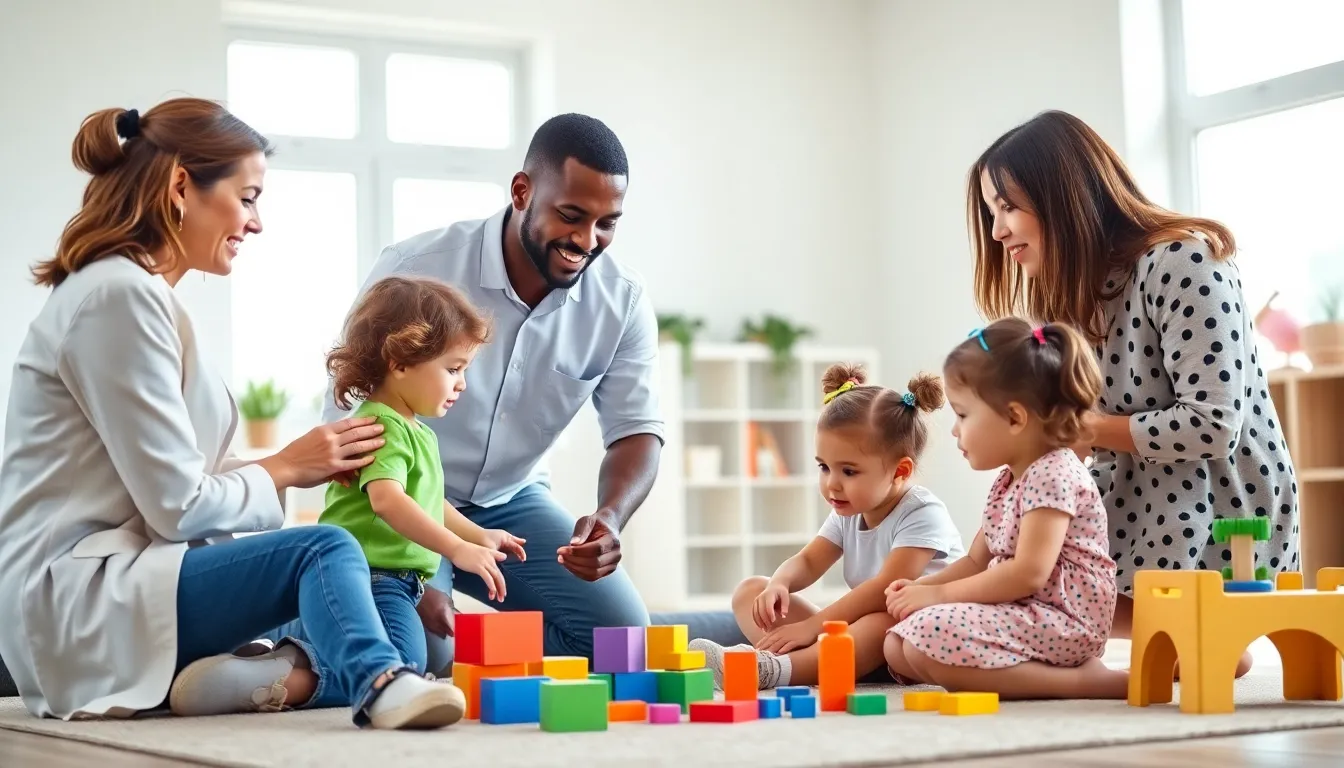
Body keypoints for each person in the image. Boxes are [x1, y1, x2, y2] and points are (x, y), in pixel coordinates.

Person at [0, 98, 462, 729]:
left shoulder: (136, 295)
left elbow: (180, 479)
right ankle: (380, 684)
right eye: (247, 198)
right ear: (180, 187)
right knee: (325, 549)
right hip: (83, 600)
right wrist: (286, 465)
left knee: (378, 612)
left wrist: (305, 464)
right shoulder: (118, 297)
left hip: (129, 577)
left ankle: (288, 671)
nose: (256, 222)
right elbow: (177, 505)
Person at [319, 113, 663, 667]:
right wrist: (413, 563)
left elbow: (636, 429)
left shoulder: (620, 301)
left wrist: (611, 517)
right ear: (522, 192)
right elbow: (348, 404)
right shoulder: (416, 270)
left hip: (514, 499)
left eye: (607, 223)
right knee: (423, 650)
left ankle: (473, 652)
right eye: (571, 216)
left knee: (622, 641)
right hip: (405, 493)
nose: (586, 240)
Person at [967, 110, 1297, 677]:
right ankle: (1182, 633)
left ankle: (1198, 631)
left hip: (1215, 507)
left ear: (1064, 196)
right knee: (1007, 583)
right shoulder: (1069, 293)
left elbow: (1213, 426)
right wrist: (996, 539)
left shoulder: (1185, 260)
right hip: (1131, 495)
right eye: (991, 212)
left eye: (1008, 207)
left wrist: (1075, 430)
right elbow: (1062, 453)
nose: (997, 231)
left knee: (1017, 598)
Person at [885, 319, 1127, 699]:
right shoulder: (1009, 479)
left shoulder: (1054, 474)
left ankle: (1085, 682)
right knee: (897, 647)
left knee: (924, 640)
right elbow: (975, 561)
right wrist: (922, 587)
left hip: (1064, 620)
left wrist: (941, 597)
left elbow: (1028, 574)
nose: (954, 430)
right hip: (1023, 611)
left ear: (1015, 417)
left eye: (962, 415)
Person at [689, 365, 965, 691]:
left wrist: (812, 627)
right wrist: (779, 583)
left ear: (899, 471)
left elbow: (885, 589)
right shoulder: (849, 510)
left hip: (914, 640)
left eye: (848, 471)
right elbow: (808, 561)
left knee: (883, 619)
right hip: (865, 639)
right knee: (750, 593)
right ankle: (806, 663)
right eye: (824, 467)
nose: (832, 484)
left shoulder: (922, 513)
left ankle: (771, 670)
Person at [319, 275, 526, 681]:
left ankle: (293, 640)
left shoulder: (415, 430)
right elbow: (387, 501)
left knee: (410, 657)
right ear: (399, 363)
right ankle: (291, 672)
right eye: (453, 369)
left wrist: (477, 536)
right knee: (402, 663)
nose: (462, 383)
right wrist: (457, 549)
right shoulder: (381, 425)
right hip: (369, 577)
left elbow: (429, 502)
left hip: (394, 579)